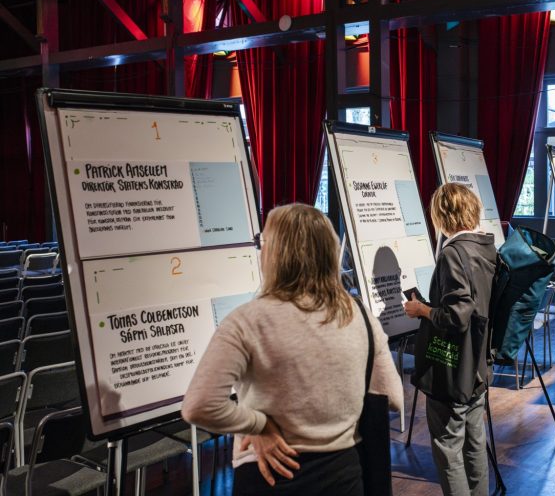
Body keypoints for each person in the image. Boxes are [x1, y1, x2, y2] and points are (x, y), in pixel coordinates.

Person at [182, 203, 403, 496]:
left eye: (262, 242)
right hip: (344, 474)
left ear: (274, 253)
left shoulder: (247, 321)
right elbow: (394, 398)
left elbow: (199, 406)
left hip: (269, 473)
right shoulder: (360, 317)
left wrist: (258, 425)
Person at [404, 183, 497, 496]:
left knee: (447, 447)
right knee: (474, 444)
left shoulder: (453, 253)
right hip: (478, 365)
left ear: (442, 214)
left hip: (453, 369)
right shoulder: (486, 247)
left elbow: (457, 316)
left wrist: (422, 310)